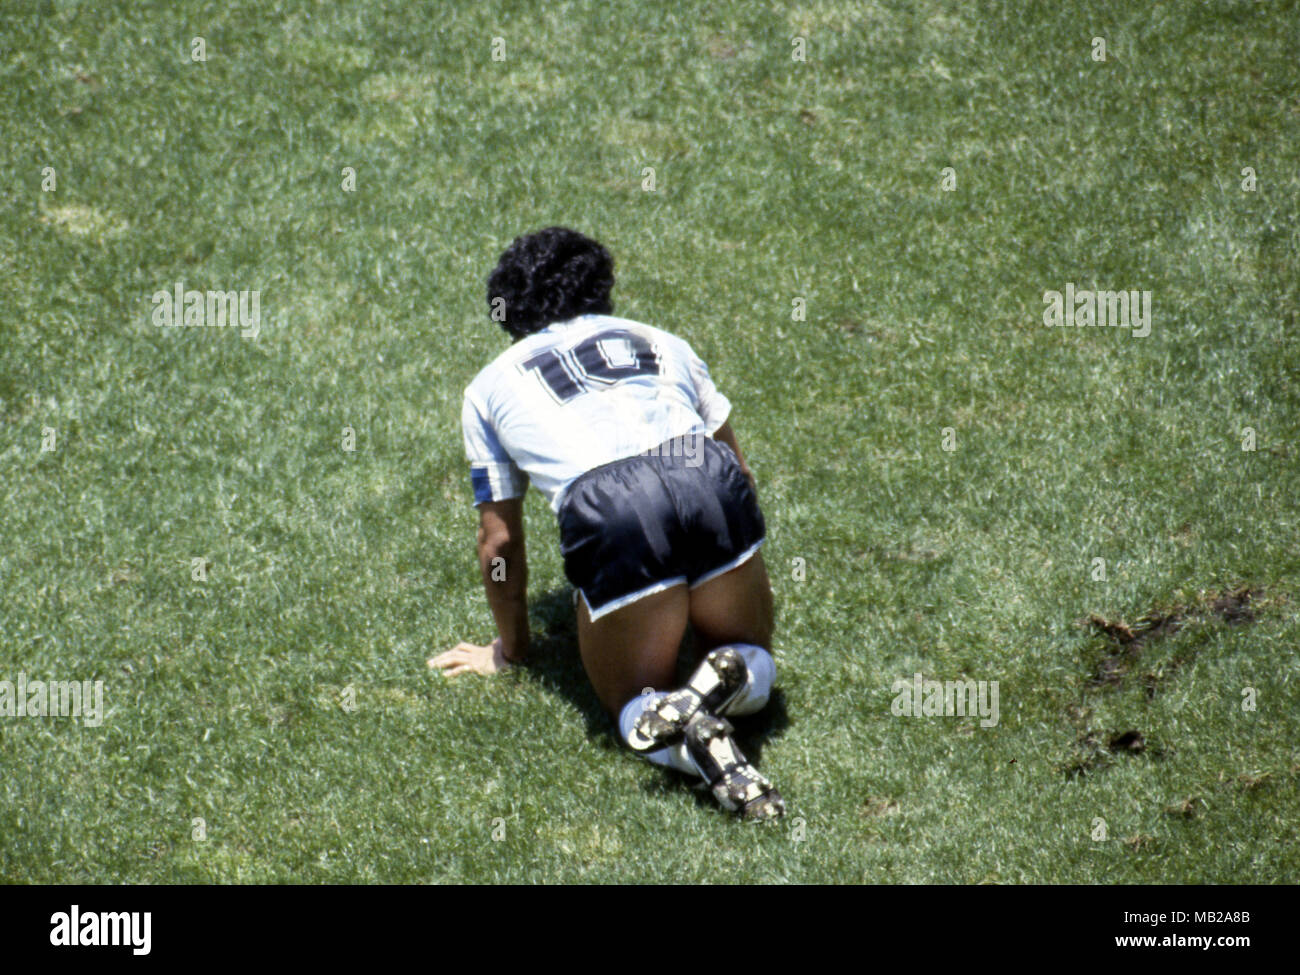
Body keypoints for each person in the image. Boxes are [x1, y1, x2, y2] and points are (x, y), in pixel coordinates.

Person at [429, 227, 784, 820]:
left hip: (612, 506)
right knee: (753, 654)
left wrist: (512, 651)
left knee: (635, 708)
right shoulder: (662, 339)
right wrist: (736, 560)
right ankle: (721, 678)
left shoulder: (487, 386)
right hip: (705, 473)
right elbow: (740, 474)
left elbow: (499, 541)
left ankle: (695, 738)